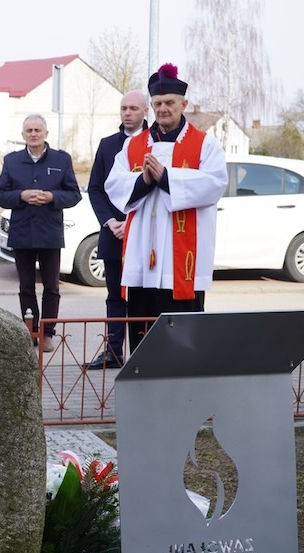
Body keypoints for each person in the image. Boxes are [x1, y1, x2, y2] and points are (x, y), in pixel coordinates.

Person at [105, 63, 228, 352]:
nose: (163, 109)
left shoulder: (205, 145)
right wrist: (144, 181)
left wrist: (166, 177)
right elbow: (114, 184)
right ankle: (143, 389)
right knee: (143, 338)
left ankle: (185, 392)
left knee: (182, 344)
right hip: (141, 259)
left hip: (181, 261)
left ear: (183, 104)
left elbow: (214, 184)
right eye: (157, 103)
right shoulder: (134, 146)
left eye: (169, 103)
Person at [0, 114, 82, 353]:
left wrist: (53, 197)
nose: (33, 134)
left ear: (46, 133)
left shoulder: (61, 160)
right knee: (26, 286)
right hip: (22, 232)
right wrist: (21, 196)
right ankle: (30, 330)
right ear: (23, 135)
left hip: (49, 233)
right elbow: (1, 195)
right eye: (29, 130)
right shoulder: (12, 161)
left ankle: (47, 333)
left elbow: (74, 194)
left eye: (37, 130)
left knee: (52, 286)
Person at [84, 91, 149, 369]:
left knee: (143, 296)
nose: (127, 113)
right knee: (114, 294)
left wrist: (134, 222)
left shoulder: (156, 143)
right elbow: (96, 188)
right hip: (114, 231)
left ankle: (146, 354)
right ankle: (113, 350)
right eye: (123, 108)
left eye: (133, 108)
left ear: (145, 111)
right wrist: (110, 222)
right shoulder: (108, 145)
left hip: (145, 233)